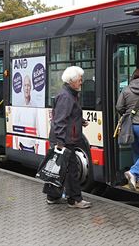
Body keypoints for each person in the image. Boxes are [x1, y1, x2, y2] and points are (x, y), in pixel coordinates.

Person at [46, 66, 91, 209]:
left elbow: (69, 115)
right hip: (64, 140)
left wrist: (80, 121)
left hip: (66, 138)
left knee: (60, 169)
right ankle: (75, 200)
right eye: (79, 80)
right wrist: (60, 141)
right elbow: (60, 120)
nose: (81, 82)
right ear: (71, 81)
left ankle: (52, 197)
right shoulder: (66, 96)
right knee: (71, 170)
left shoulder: (70, 94)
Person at [116, 68, 139, 190]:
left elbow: (118, 106)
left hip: (130, 126)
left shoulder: (126, 89)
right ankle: (134, 172)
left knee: (137, 152)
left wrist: (127, 112)